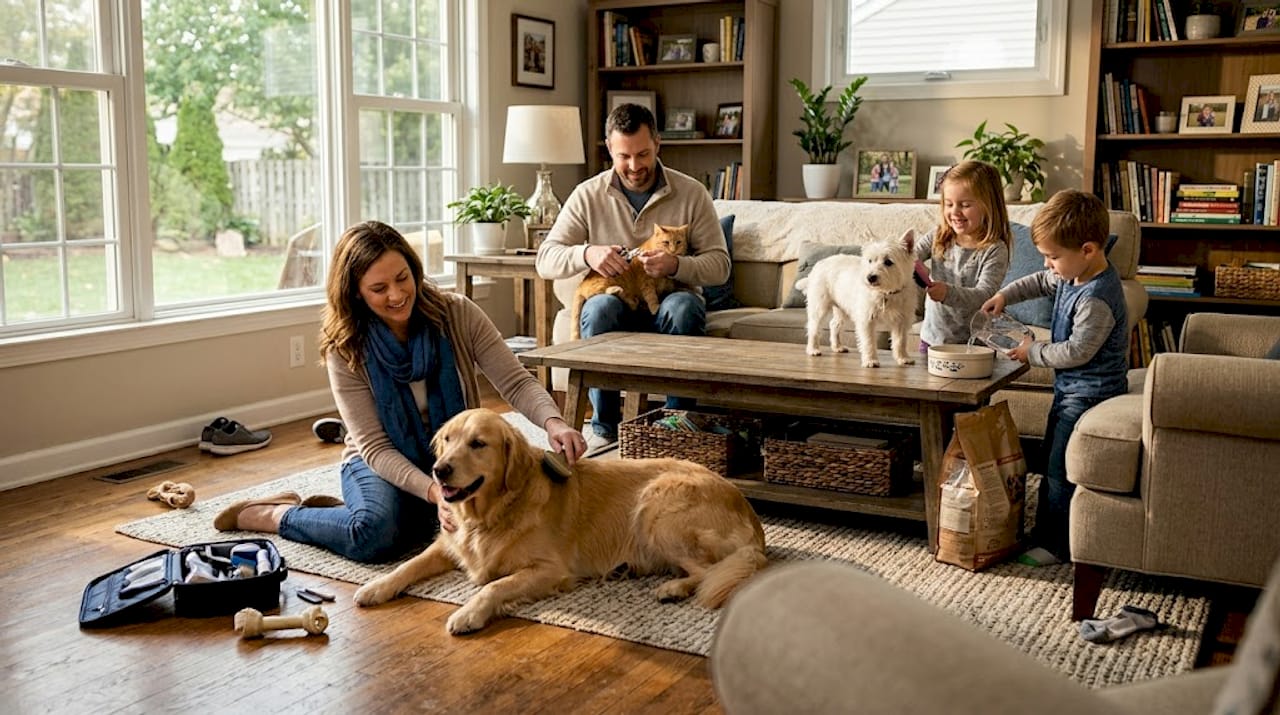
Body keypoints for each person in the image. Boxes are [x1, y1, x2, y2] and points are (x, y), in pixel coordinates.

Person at [214, 221, 587, 562]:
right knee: (377, 535)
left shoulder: (456, 313)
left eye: (402, 278)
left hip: (451, 456)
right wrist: (433, 492)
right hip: (378, 459)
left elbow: (516, 381)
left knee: (511, 502)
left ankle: (357, 510)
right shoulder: (345, 347)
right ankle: (272, 513)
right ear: (356, 293)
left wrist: (554, 423)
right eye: (378, 288)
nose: (396, 295)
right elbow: (375, 448)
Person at [536, 103, 730, 451]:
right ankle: (605, 429)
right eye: (624, 156)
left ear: (658, 143)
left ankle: (677, 426)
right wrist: (587, 253)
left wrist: (676, 266)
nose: (635, 166)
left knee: (685, 307)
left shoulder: (691, 193)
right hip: (619, 301)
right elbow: (545, 259)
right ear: (609, 148)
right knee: (597, 310)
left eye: (643, 154)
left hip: (671, 300)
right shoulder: (588, 194)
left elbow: (720, 266)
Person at [980, 190, 1128, 566]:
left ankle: (1057, 545)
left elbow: (1077, 351)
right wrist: (1005, 296)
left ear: (1089, 249)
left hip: (1091, 393)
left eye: (1053, 256)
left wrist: (1032, 352)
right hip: (1071, 390)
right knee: (1051, 461)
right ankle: (1046, 530)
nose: (1048, 264)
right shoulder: (1071, 273)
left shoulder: (1096, 298)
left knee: (1060, 470)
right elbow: (1039, 282)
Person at [913, 161, 1012, 351]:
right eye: (949, 204)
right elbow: (909, 256)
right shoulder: (938, 236)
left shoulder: (995, 249)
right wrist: (914, 266)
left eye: (965, 205)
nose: (955, 212)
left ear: (988, 206)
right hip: (933, 339)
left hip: (976, 344)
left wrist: (947, 293)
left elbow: (985, 295)